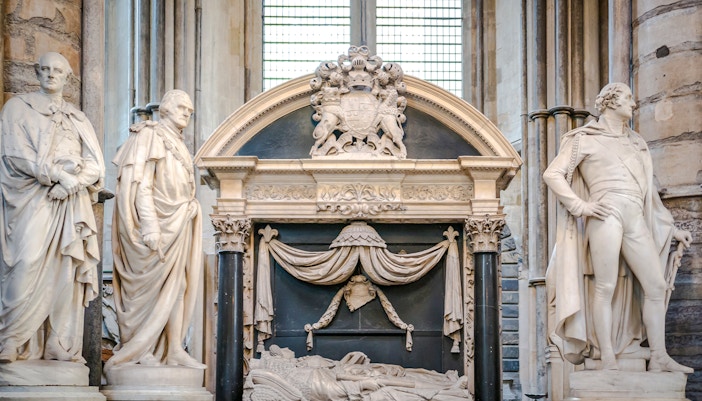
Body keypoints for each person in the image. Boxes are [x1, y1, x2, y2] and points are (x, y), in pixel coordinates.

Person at [543, 82, 693, 373]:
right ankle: (607, 357)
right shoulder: (583, 139)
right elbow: (553, 174)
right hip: (607, 213)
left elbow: (648, 193)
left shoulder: (637, 143)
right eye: (628, 98)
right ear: (611, 101)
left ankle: (659, 356)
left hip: (636, 215)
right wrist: (580, 206)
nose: (633, 104)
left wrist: (671, 230)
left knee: (656, 286)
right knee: (605, 287)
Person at [0, 52, 105, 363]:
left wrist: (73, 182)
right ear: (37, 72)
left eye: (58, 70)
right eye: (45, 69)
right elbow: (13, 153)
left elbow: (95, 165)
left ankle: (58, 341)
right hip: (32, 198)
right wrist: (57, 175)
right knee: (26, 261)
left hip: (71, 201)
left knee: (67, 269)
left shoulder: (78, 118)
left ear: (67, 77)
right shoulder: (18, 108)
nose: (51, 74)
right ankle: (11, 338)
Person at [105, 89, 204, 370]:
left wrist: (190, 206)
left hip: (177, 221)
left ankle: (174, 349)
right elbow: (141, 185)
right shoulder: (150, 135)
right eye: (182, 107)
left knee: (178, 285)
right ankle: (140, 349)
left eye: (190, 111)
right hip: (156, 226)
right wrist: (149, 225)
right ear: (166, 108)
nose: (187, 113)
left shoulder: (178, 142)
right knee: (146, 291)